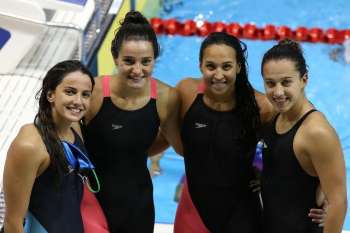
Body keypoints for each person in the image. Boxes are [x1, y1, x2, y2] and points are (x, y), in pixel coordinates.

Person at [173, 32, 327, 233]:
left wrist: (328, 200)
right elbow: (163, 134)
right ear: (200, 65)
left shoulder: (261, 107)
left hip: (241, 215)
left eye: (226, 66)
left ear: (238, 66)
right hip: (192, 212)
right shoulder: (186, 92)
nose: (218, 75)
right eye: (211, 66)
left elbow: (311, 134)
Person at [81, 11, 181, 233]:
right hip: (90, 199)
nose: (138, 70)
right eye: (128, 61)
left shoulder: (165, 97)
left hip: (136, 203)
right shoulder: (93, 91)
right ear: (115, 58)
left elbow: (180, 147)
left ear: (155, 59)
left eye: (146, 62)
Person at [2, 60, 108, 233]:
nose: (78, 101)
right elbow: (13, 222)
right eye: (70, 92)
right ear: (50, 94)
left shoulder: (73, 130)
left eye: (85, 94)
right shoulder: (30, 145)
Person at [260, 39, 347, 233]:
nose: (278, 92)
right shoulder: (276, 116)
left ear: (304, 80)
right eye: (270, 83)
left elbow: (338, 202)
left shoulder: (316, 132)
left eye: (286, 82)